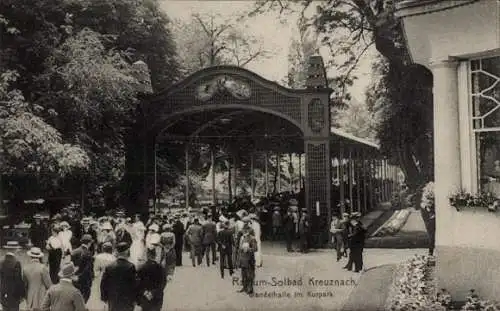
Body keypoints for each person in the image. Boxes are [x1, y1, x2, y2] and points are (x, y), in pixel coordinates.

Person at [100, 242, 137, 311]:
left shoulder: (109, 267)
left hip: (113, 299)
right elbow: (134, 285)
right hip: (127, 300)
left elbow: (103, 283)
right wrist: (135, 299)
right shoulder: (131, 266)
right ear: (126, 251)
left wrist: (104, 298)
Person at [70, 234, 94, 302]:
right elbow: (88, 269)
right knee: (84, 297)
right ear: (89, 243)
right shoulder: (88, 253)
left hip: (74, 278)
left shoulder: (74, 251)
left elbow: (71, 266)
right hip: (84, 280)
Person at [237, 227, 258, 295]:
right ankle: (244, 287)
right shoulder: (243, 238)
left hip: (249, 259)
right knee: (243, 274)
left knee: (250, 275)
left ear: (248, 231)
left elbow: (255, 249)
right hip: (243, 259)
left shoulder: (252, 239)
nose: (243, 232)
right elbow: (240, 248)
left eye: (244, 231)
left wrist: (248, 249)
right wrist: (241, 249)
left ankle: (250, 289)